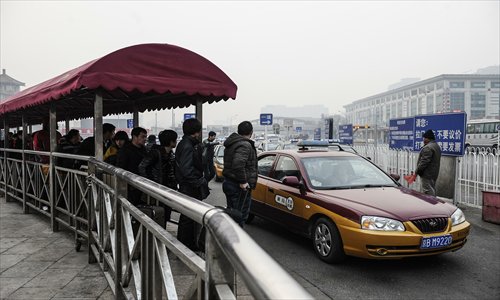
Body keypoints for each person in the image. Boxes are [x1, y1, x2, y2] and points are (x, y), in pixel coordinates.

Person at [175, 118, 209, 252]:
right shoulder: (188, 146)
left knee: (188, 217)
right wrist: (199, 182)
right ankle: (186, 246)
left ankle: (187, 244)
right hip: (189, 187)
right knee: (188, 218)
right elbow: (186, 169)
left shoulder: (186, 144)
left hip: (188, 185)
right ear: (196, 132)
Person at [138, 130, 178, 226]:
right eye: (175, 140)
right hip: (157, 189)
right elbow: (142, 166)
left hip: (167, 189)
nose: (176, 142)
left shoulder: (169, 153)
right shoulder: (156, 152)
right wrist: (149, 182)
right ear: (171, 141)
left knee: (166, 214)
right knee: (158, 214)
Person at [222, 121, 258, 227]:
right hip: (238, 186)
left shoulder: (233, 143)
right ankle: (235, 242)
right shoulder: (245, 145)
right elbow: (238, 164)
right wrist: (243, 181)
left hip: (230, 183)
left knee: (232, 216)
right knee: (238, 218)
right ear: (251, 132)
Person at [116, 127, 148, 205]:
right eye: (142, 137)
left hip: (141, 184)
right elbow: (120, 168)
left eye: (145, 137)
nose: (145, 139)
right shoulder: (125, 150)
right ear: (134, 137)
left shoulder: (144, 150)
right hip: (130, 186)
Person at [415, 129, 442, 196]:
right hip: (433, 173)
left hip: (427, 174)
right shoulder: (436, 146)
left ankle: (431, 203)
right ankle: (433, 202)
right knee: (432, 188)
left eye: (424, 138)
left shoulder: (428, 148)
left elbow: (424, 162)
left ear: (428, 138)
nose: (423, 140)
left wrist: (418, 171)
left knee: (427, 190)